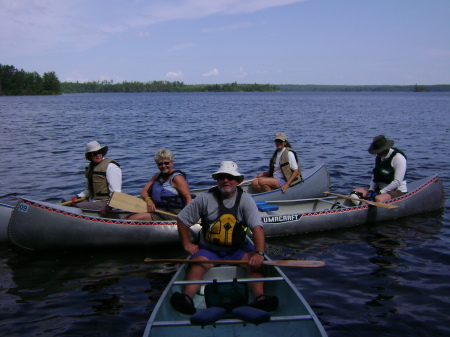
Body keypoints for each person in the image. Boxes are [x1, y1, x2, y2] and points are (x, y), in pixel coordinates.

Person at [170, 161, 278, 315]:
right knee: (196, 264)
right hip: (210, 249)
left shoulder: (246, 200)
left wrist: (259, 253)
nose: (225, 180)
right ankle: (187, 299)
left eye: (230, 177)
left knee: (256, 264)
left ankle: (260, 298)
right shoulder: (204, 198)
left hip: (238, 249)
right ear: (217, 180)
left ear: (237, 181)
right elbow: (182, 219)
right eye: (222, 177)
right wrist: (186, 243)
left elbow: (257, 228)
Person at [126, 148, 191, 221]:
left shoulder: (177, 177)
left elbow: (188, 197)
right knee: (128, 217)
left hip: (173, 212)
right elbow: (144, 191)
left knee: (133, 219)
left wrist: (186, 216)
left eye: (166, 163)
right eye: (160, 164)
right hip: (158, 209)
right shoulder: (157, 176)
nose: (163, 166)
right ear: (157, 164)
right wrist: (148, 200)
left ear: (172, 163)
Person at [352, 135, 407, 203]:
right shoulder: (379, 157)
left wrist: (381, 192)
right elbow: (375, 175)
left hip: (397, 190)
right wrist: (372, 189)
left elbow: (397, 182)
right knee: (355, 193)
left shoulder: (398, 158)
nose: (377, 153)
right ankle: (363, 206)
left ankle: (368, 206)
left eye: (378, 151)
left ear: (384, 149)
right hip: (380, 188)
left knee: (378, 199)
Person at [75, 141, 122, 214]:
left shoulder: (111, 167)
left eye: (99, 152)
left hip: (106, 203)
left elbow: (116, 192)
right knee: (67, 202)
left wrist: (109, 206)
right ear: (89, 156)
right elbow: (88, 191)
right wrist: (79, 196)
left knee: (76, 207)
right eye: (94, 153)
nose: (98, 155)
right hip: (93, 200)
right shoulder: (91, 168)